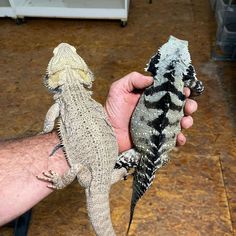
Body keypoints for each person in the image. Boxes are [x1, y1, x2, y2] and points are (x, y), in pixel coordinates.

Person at [0, 72, 198, 226]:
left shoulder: (73, 104)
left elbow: (49, 128)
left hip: (99, 172)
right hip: (107, 174)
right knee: (119, 169)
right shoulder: (87, 103)